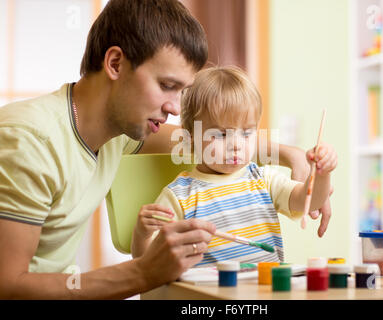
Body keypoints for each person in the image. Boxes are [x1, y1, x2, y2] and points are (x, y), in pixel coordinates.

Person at [0, 0, 325, 299]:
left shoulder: (122, 131)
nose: (173, 108)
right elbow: (9, 285)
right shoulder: (29, 139)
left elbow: (201, 139)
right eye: (166, 86)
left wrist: (290, 154)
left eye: (181, 91)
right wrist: (143, 272)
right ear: (115, 63)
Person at [131, 66, 337, 266]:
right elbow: (148, 264)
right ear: (189, 136)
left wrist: (321, 174)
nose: (237, 145)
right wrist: (142, 234)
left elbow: (308, 201)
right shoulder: (179, 196)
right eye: (221, 134)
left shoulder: (263, 179)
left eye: (247, 133)